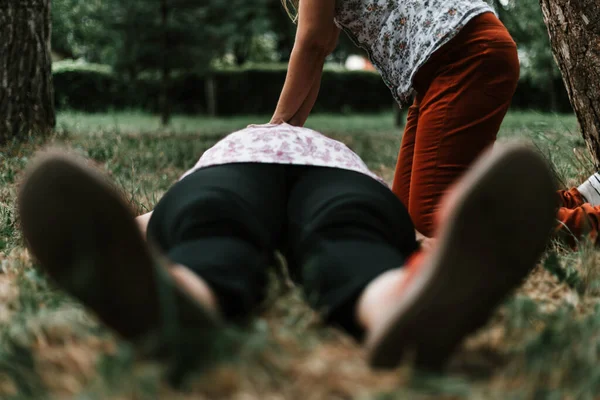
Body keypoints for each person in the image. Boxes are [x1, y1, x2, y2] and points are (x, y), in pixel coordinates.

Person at [18, 124, 557, 371]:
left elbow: (171, 211)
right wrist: (112, 234)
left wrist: (442, 247)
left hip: (278, 175)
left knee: (228, 223)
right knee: (333, 229)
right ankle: (174, 295)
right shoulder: (279, 147)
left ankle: (401, 303)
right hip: (266, 173)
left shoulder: (239, 141)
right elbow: (165, 214)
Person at [271, 0, 520, 239]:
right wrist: (287, 129)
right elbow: (321, 45)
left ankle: (550, 217)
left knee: (431, 221)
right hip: (439, 68)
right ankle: (533, 205)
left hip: (467, 53)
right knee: (403, 218)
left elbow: (313, 42)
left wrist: (274, 127)